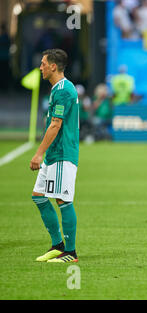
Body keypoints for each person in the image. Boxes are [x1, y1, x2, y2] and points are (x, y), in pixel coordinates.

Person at [30, 49, 80, 263]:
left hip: (61, 153)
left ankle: (70, 252)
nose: (40, 67)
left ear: (53, 66)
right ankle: (57, 245)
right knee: (38, 196)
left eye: (43, 63)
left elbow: (56, 124)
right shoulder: (57, 89)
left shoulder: (64, 90)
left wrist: (38, 153)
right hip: (53, 154)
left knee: (62, 200)